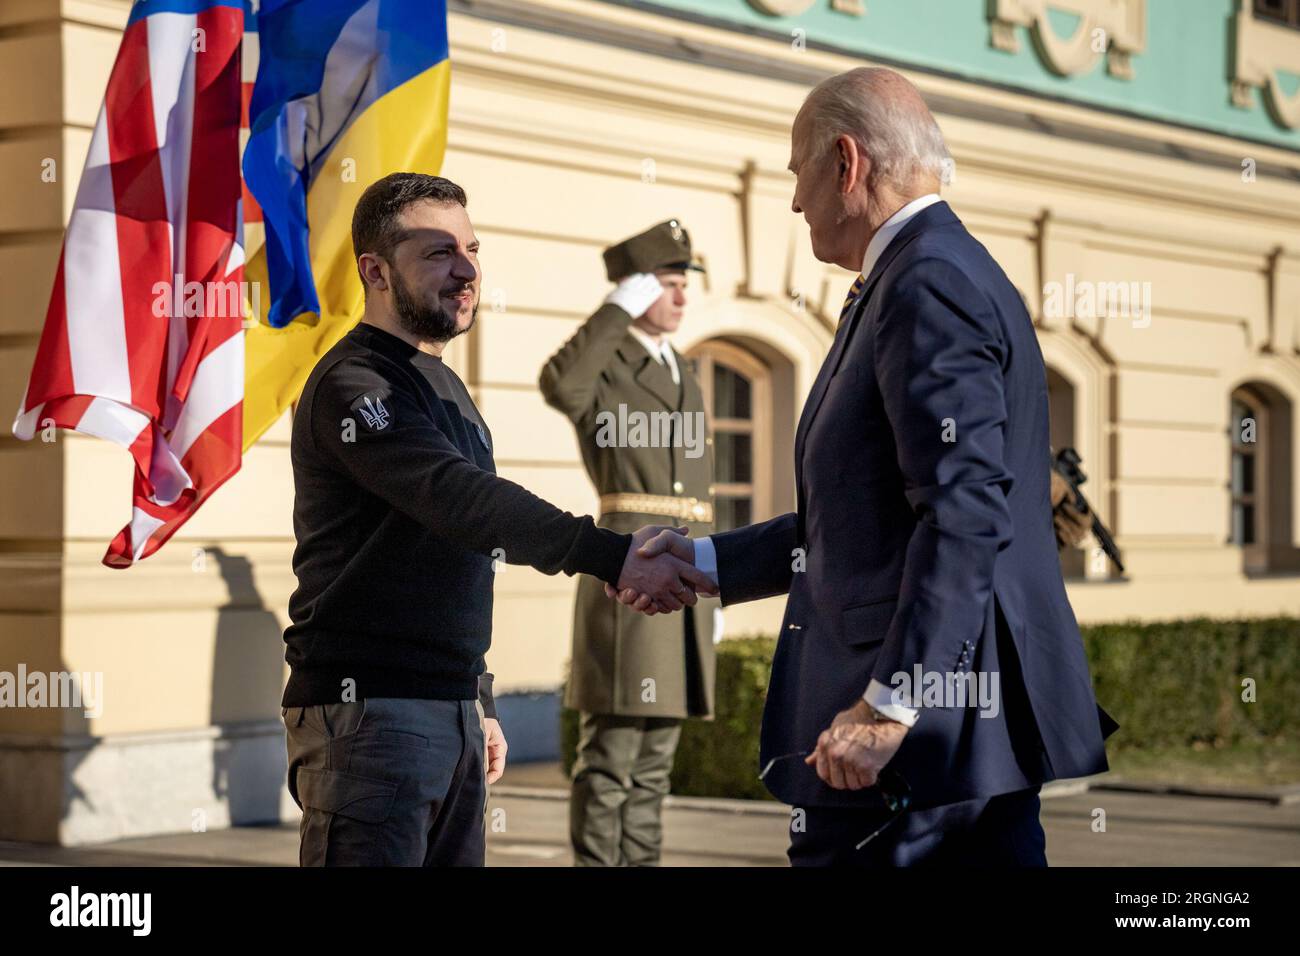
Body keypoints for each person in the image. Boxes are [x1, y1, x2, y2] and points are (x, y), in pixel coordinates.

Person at [616, 68, 1117, 866]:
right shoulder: (920, 272)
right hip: (943, 739)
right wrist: (708, 560)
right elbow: (867, 515)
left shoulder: (926, 281)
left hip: (916, 748)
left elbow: (964, 514)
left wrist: (890, 705)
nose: (792, 202)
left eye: (797, 174)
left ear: (846, 163)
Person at [280, 172, 715, 867]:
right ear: (376, 271)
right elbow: (457, 499)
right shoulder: (355, 382)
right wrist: (605, 552)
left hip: (446, 713)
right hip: (370, 718)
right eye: (437, 252)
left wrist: (476, 697)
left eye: (472, 249)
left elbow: (459, 553)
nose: (466, 269)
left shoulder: (447, 386)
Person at [539, 221, 718, 866]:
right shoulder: (607, 366)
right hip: (631, 564)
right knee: (611, 755)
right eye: (667, 285)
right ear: (638, 289)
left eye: (682, 285)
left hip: (689, 567)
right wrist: (614, 307)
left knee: (654, 763)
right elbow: (560, 384)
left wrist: (715, 590)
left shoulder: (683, 370)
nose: (680, 298)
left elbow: (699, 490)